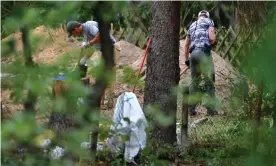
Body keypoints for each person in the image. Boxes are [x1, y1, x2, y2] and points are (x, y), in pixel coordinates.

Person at [66, 20, 120, 108]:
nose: (75, 36)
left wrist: (89, 43)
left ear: (75, 29)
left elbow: (100, 35)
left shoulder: (89, 26)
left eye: (74, 34)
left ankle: (109, 104)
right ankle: (102, 102)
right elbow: (92, 48)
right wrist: (84, 60)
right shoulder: (84, 33)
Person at [183, 10, 218, 116]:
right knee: (209, 80)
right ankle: (211, 110)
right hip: (204, 52)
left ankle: (191, 110)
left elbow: (186, 45)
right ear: (207, 16)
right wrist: (213, 41)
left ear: (199, 17)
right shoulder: (209, 22)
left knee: (194, 82)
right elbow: (212, 38)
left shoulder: (192, 25)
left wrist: (187, 61)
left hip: (193, 54)